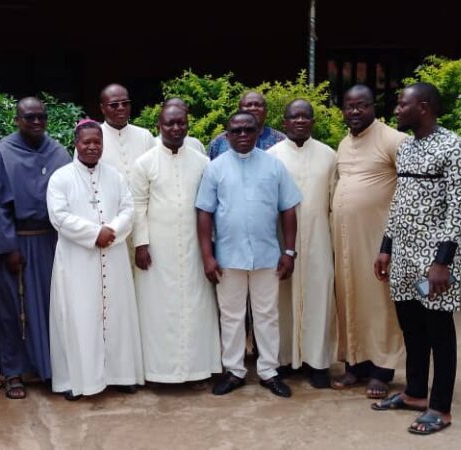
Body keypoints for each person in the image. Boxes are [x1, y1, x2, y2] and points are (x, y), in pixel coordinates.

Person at [372, 83, 461, 435]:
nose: (397, 110)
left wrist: (442, 261)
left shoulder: (455, 148)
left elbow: (458, 211)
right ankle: (415, 393)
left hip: (434, 258)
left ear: (424, 107)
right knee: (411, 327)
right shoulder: (407, 149)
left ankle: (440, 408)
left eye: (403, 104)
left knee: (439, 331)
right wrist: (386, 246)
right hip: (402, 254)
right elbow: (399, 202)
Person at [196, 111, 301, 398]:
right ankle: (234, 371)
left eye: (248, 130)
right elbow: (204, 213)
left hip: (268, 255)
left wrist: (289, 251)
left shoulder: (274, 166)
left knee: (267, 315)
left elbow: (288, 209)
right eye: (236, 131)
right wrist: (208, 256)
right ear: (227, 134)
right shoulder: (215, 168)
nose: (242, 135)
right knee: (231, 316)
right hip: (228, 256)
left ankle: (269, 371)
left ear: (258, 132)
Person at [47, 120, 144, 400]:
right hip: (78, 259)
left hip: (112, 255)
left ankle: (120, 374)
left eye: (97, 142)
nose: (92, 147)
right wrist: (93, 234)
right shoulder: (60, 178)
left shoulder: (114, 175)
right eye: (86, 142)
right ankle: (78, 380)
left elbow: (129, 207)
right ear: (76, 144)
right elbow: (59, 216)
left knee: (117, 314)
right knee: (79, 316)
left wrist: (111, 231)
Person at [0, 97, 72, 399]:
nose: (36, 123)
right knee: (14, 309)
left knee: (52, 306)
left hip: (52, 241)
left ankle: (50, 368)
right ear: (17, 120)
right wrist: (8, 247)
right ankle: (13, 373)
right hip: (17, 241)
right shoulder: (2, 154)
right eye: (29, 117)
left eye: (41, 117)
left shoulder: (59, 151)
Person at [131, 105, 220, 388]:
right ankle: (160, 373)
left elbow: (210, 206)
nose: (175, 129)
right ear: (159, 125)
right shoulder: (144, 163)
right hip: (158, 247)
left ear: (187, 125)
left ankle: (197, 370)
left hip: (194, 246)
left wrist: (211, 247)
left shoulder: (202, 161)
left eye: (181, 123)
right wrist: (141, 243)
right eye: (170, 124)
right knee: (158, 308)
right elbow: (137, 205)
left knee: (195, 306)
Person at [331, 85, 407, 399]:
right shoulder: (344, 143)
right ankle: (356, 364)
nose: (355, 112)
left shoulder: (393, 140)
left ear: (373, 106)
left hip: (378, 241)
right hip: (345, 242)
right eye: (349, 106)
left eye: (361, 106)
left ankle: (382, 369)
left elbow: (409, 192)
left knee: (379, 303)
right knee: (349, 299)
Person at [267, 99, 337, 388]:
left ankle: (318, 362)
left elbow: (335, 202)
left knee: (319, 298)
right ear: (284, 123)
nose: (299, 121)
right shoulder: (271, 156)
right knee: (281, 300)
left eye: (305, 117)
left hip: (320, 238)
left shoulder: (329, 155)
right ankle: (283, 360)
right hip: (282, 240)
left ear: (312, 122)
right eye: (293, 117)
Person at [98, 83, 155, 180]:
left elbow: (156, 171)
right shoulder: (92, 138)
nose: (121, 108)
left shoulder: (145, 136)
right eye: (114, 105)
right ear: (103, 108)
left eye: (125, 103)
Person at [207, 91, 286, 160]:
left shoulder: (281, 140)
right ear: (239, 111)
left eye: (258, 105)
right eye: (248, 105)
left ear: (266, 112)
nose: (253, 108)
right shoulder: (219, 142)